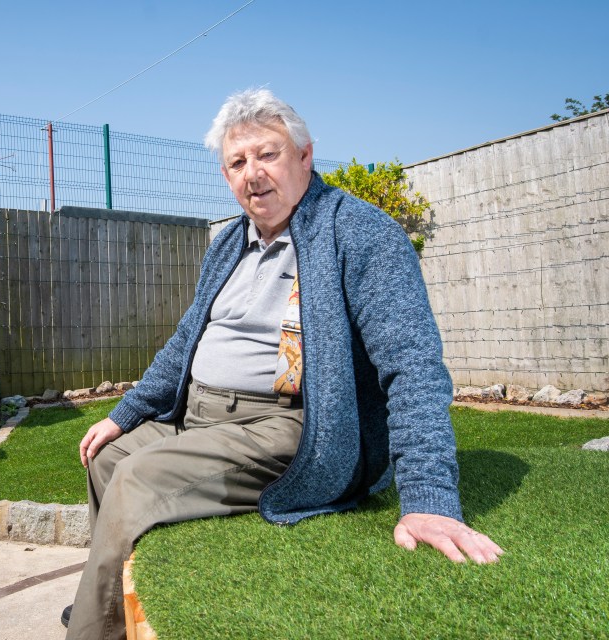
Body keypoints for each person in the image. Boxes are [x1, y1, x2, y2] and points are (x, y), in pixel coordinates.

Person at [62, 88, 503, 640]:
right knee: (107, 456)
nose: (253, 174)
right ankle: (106, 598)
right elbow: (186, 341)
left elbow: (412, 368)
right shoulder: (229, 242)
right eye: (237, 162)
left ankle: (88, 632)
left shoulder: (359, 233)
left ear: (304, 156)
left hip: (288, 425)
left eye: (267, 154)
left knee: (135, 479)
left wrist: (428, 499)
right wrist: (126, 414)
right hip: (202, 415)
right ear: (227, 177)